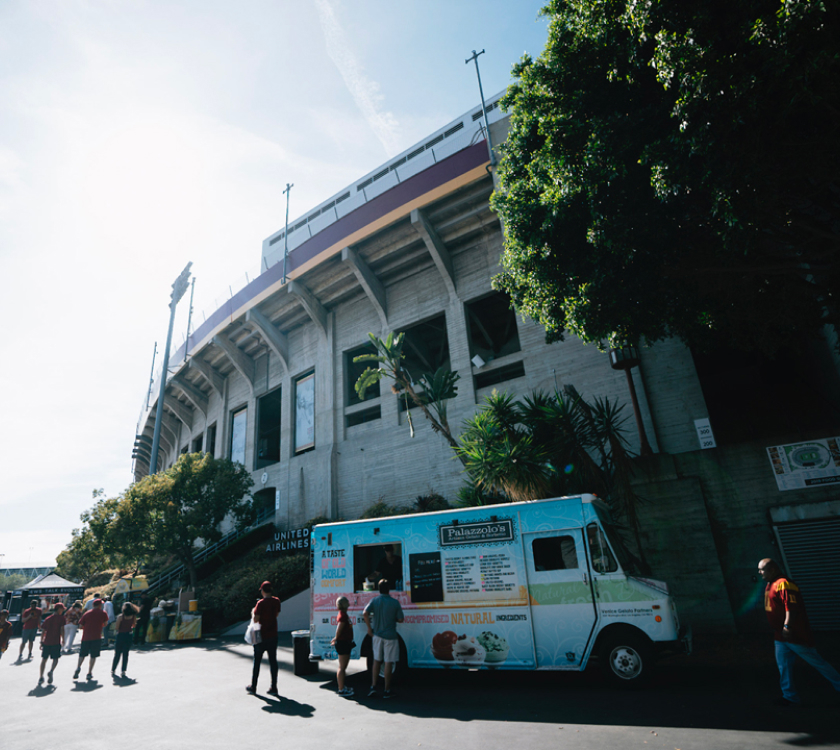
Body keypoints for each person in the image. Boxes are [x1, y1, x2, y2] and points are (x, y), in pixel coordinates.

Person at [759, 558, 840, 705]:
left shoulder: (784, 583)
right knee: (783, 666)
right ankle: (789, 696)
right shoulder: (770, 584)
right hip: (780, 636)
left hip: (793, 635)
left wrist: (787, 627)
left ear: (772, 569)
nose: (760, 573)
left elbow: (792, 607)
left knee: (818, 662)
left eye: (762, 570)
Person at [363, 579, 404, 699]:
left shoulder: (374, 600)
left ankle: (373, 687)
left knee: (376, 661)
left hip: (377, 635)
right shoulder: (395, 602)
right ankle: (387, 690)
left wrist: (369, 629)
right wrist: (394, 619)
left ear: (379, 589)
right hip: (390, 636)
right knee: (388, 662)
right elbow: (401, 619)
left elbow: (365, 613)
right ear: (389, 589)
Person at [246, 581, 281, 696]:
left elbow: (256, 619)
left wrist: (252, 613)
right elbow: (276, 615)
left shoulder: (260, 603)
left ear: (262, 591)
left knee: (257, 662)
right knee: (273, 661)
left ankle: (253, 686)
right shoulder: (276, 601)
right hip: (273, 635)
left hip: (260, 636)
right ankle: (274, 687)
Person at [74, 598, 109, 681]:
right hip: (96, 637)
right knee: (93, 656)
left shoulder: (87, 613)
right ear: (100, 605)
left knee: (82, 654)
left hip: (86, 637)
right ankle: (89, 672)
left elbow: (80, 626)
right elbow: (105, 623)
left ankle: (78, 667)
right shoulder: (103, 613)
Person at [331, 596, 354, 697]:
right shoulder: (343, 616)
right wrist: (336, 638)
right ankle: (341, 689)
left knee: (343, 667)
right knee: (342, 667)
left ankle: (342, 686)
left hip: (345, 642)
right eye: (347, 601)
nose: (349, 603)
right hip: (343, 643)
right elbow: (339, 628)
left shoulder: (343, 614)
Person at [38, 603, 65, 685]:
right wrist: (63, 639)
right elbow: (62, 629)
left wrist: (41, 641)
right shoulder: (61, 618)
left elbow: (43, 630)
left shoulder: (48, 618)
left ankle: (41, 676)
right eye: (62, 609)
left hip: (47, 641)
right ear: (59, 609)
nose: (63, 611)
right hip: (55, 642)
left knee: (44, 659)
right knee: (55, 659)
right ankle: (51, 670)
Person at [112, 602, 140, 678]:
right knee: (125, 653)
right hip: (129, 635)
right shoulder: (133, 616)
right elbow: (133, 625)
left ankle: (113, 669)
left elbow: (117, 627)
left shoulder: (120, 617)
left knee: (117, 653)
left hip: (121, 635)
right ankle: (123, 670)